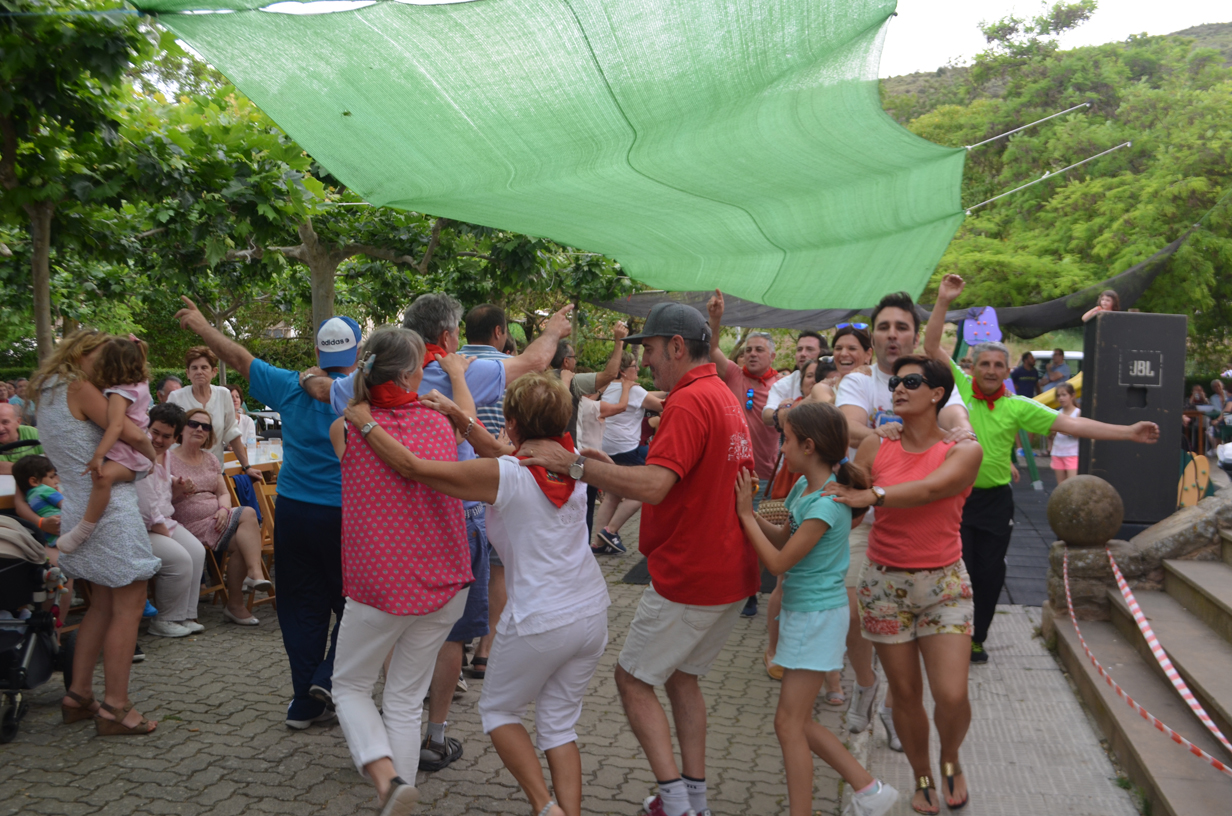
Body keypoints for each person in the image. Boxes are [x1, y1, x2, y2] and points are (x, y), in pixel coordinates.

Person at [302, 293, 576, 769]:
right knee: (422, 675)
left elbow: (330, 392)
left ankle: (383, 766)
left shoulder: (347, 421)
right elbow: (531, 365)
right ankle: (427, 745)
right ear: (443, 340)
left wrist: (311, 379)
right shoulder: (442, 414)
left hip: (380, 570)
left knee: (361, 676)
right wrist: (549, 332)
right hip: (445, 556)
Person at [518, 301, 759, 816]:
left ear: (677, 346)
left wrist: (575, 465)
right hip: (728, 570)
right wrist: (603, 467)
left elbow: (653, 486)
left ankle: (675, 802)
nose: (644, 361)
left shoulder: (689, 401)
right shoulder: (722, 393)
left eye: (649, 349)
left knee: (632, 680)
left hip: (690, 574)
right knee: (681, 678)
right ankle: (693, 800)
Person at [345, 371, 610, 816]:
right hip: (591, 613)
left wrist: (364, 422)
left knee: (500, 713)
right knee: (559, 726)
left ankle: (546, 808)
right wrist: (456, 414)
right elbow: (504, 454)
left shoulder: (505, 474)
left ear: (512, 422)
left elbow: (413, 468)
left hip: (540, 619)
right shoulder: (576, 462)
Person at [925, 274, 1158, 666]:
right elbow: (932, 346)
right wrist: (944, 301)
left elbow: (1074, 425)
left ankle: (977, 638)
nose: (991, 370)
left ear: (1007, 370)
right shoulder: (962, 390)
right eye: (985, 364)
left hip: (996, 502)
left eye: (998, 365)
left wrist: (1128, 432)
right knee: (954, 570)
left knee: (989, 574)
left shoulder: (1018, 406)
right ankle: (949, 633)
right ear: (973, 368)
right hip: (957, 499)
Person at [175, 298, 358, 730]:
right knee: (357, 605)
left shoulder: (289, 385)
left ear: (318, 352)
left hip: (294, 513)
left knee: (301, 607)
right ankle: (328, 679)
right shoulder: (365, 392)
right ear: (357, 353)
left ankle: (304, 703)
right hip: (347, 516)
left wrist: (202, 326)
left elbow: (239, 358)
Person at [325, 326, 474, 816]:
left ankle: (386, 779)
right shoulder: (441, 422)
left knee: (349, 686)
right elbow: (467, 423)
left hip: (382, 588)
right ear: (411, 375)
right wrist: (455, 380)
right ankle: (398, 797)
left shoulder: (346, 428)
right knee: (406, 700)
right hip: (445, 583)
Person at [825, 354, 983, 814]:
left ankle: (950, 758)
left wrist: (874, 493)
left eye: (911, 382)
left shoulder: (962, 450)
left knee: (951, 694)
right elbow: (852, 505)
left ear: (937, 394)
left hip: (944, 585)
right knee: (906, 696)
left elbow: (932, 489)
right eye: (895, 381)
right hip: (884, 586)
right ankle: (922, 776)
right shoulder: (877, 444)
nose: (898, 387)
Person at [735, 402, 899, 816]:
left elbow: (777, 564)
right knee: (798, 722)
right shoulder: (803, 489)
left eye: (786, 439)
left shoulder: (826, 503)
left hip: (816, 617)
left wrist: (744, 516)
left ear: (808, 446)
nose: (781, 447)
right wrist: (749, 511)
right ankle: (869, 791)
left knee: (788, 724)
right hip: (805, 614)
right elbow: (781, 538)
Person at [834, 292, 973, 749]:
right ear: (872, 337)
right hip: (866, 513)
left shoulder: (932, 380)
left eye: (902, 327)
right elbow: (847, 425)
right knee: (853, 610)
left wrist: (959, 432)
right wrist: (880, 431)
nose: (892, 334)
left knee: (918, 661)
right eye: (884, 327)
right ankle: (865, 682)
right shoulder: (858, 381)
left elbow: (954, 415)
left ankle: (896, 707)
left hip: (919, 523)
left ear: (914, 335)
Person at [31, 330, 161, 736]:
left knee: (101, 605)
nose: (107, 365)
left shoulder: (47, 389)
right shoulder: (79, 386)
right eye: (102, 356)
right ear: (82, 353)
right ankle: (116, 708)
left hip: (77, 504)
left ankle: (79, 695)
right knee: (129, 604)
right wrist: (152, 457)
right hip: (111, 511)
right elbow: (131, 433)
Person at [706, 291, 781, 618]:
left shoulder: (781, 384)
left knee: (759, 533)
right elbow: (711, 350)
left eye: (759, 349)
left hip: (767, 474)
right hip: (734, 472)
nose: (752, 354)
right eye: (748, 349)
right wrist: (716, 319)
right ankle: (736, 587)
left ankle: (754, 588)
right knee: (732, 530)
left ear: (772, 355)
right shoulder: (735, 375)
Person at [169, 407, 273, 626]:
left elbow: (223, 493)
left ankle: (235, 603)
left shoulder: (210, 459)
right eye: (194, 424)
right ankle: (253, 577)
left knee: (245, 541)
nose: (199, 429)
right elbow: (160, 498)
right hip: (184, 525)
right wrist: (179, 489)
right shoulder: (167, 459)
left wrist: (224, 509)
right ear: (182, 428)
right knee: (248, 514)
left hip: (215, 519)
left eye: (205, 427)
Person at [55, 336, 154, 554]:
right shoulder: (141, 383)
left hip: (131, 456)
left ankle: (83, 530)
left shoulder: (120, 394)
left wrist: (99, 455)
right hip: (136, 455)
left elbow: (116, 426)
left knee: (102, 477)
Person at [135, 402, 208, 639]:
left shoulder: (164, 455)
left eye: (166, 436)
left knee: (197, 551)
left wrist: (176, 483)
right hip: (141, 527)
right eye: (154, 432)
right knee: (179, 559)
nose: (158, 440)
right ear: (146, 427)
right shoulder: (140, 455)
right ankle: (164, 619)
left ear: (175, 438)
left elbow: (161, 485)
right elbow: (146, 505)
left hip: (161, 521)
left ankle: (185, 615)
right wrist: (165, 533)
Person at [591, 354, 664, 554]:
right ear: (623, 371)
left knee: (612, 496)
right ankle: (610, 531)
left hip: (606, 448)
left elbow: (647, 394)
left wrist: (668, 391)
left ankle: (597, 543)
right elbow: (662, 405)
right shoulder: (634, 390)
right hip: (625, 448)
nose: (638, 369)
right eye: (634, 366)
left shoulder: (608, 387)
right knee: (643, 490)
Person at [168, 347, 265, 481]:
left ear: (214, 372)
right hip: (181, 473)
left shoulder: (223, 395)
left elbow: (231, 432)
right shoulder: (176, 397)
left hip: (214, 472)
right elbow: (168, 435)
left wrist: (247, 467)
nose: (199, 372)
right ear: (187, 373)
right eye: (194, 368)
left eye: (204, 367)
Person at [762, 331, 827, 427]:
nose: (803, 354)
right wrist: (779, 413)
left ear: (823, 353)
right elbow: (767, 415)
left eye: (809, 349)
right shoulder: (783, 384)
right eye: (799, 349)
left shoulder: (835, 378)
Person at [13, 455, 61, 545]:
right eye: (51, 477)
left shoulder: (30, 495)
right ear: (34, 481)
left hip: (52, 540)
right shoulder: (45, 489)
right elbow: (67, 505)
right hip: (66, 530)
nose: (56, 481)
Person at [0, 402, 43, 474]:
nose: (0, 428)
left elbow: (51, 460)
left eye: (5, 422)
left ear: (18, 422)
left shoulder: (33, 433)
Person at [1051, 383, 1080, 483]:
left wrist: (1068, 431)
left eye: (1064, 395)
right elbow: (1053, 433)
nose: (1061, 398)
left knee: (1072, 484)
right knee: (1061, 485)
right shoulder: (1057, 413)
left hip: (1072, 453)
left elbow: (1079, 434)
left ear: (1072, 396)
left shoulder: (1078, 412)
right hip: (1058, 452)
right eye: (1058, 396)